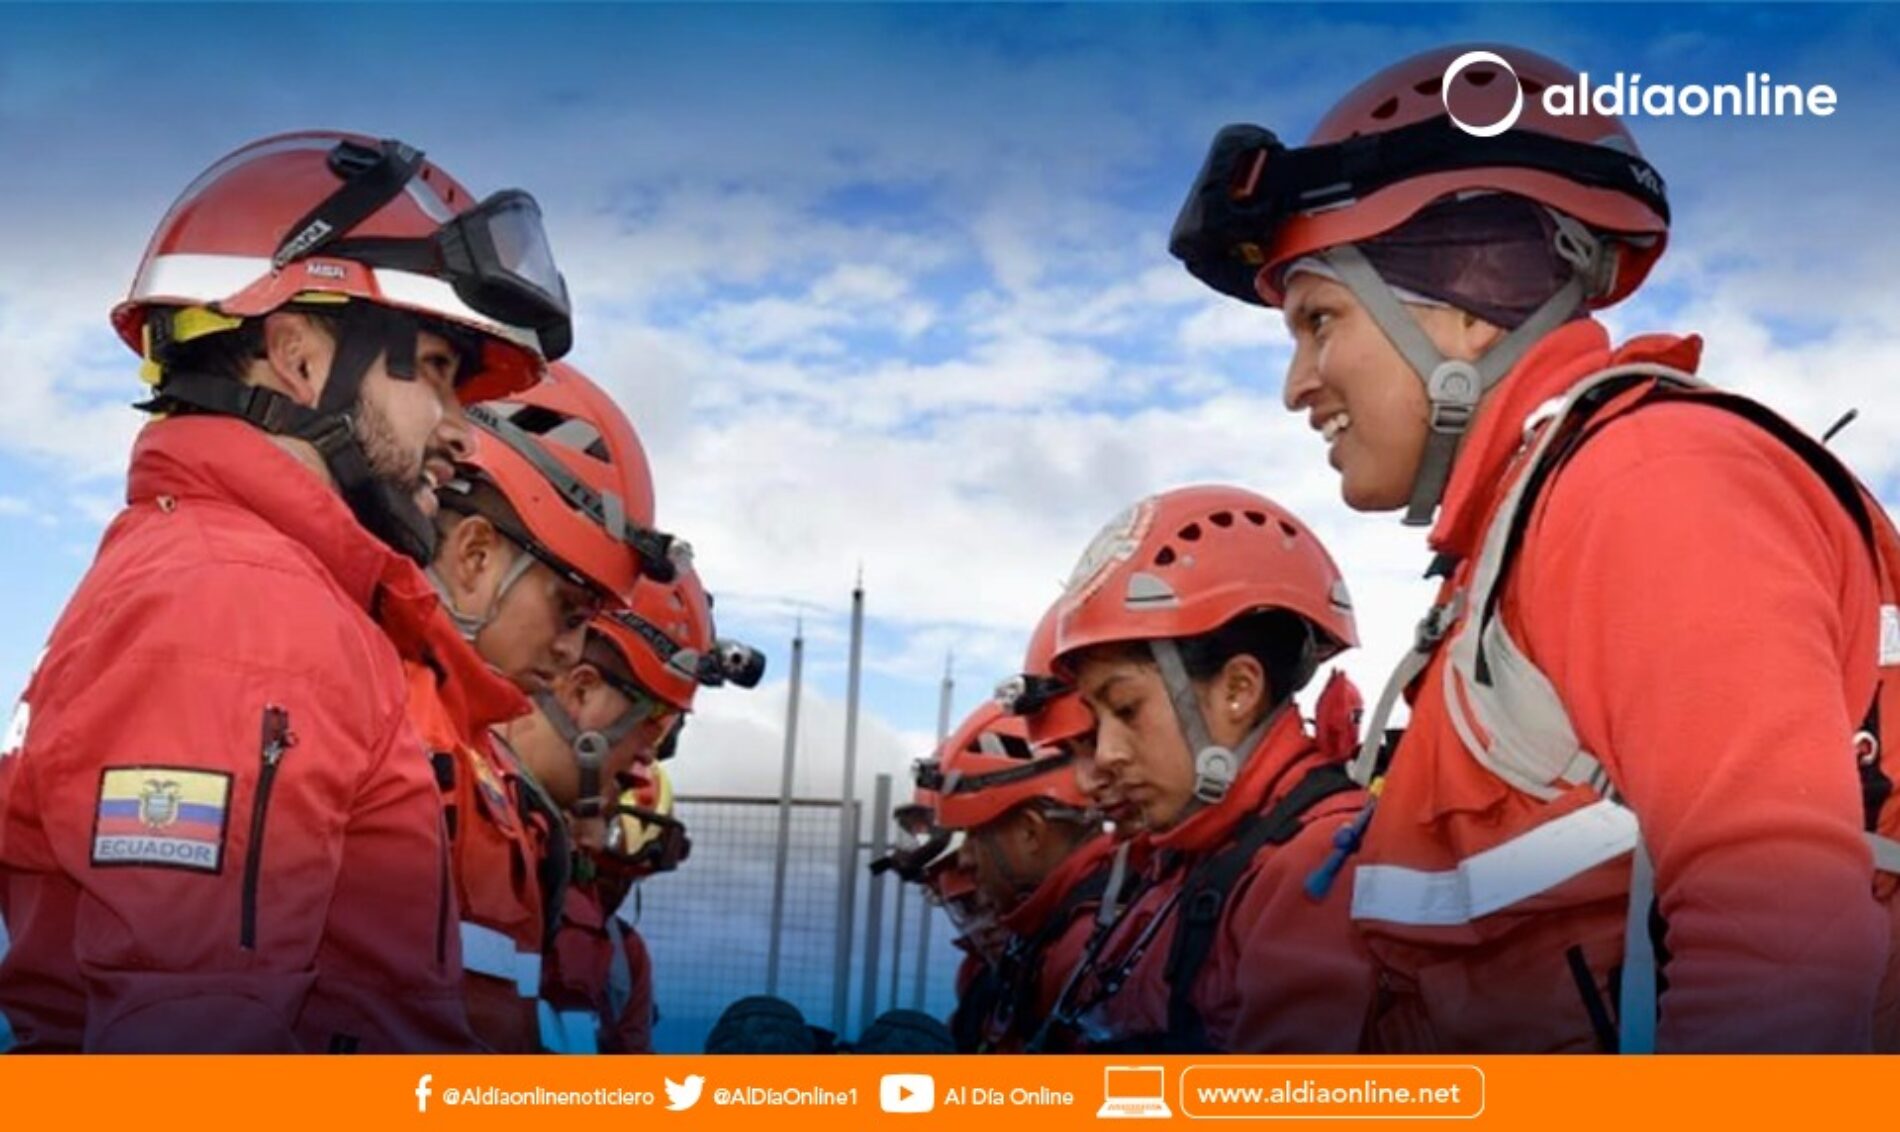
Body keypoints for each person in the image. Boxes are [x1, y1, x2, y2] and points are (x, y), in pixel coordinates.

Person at [1171, 45, 1900, 1052]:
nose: (1297, 385)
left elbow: (1781, 945)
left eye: (1320, 320)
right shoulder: (1527, 533)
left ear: (1468, 303)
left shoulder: (1645, 486)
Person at [0, 130, 571, 1052]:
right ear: (299, 358)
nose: (462, 433)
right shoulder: (238, 607)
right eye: (435, 369)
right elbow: (186, 1064)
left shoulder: (234, 579)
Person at [1043, 484, 1375, 1052]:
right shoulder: (1186, 855)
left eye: (1127, 708)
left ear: (1237, 690)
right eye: (1098, 721)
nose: (1106, 754)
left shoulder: (1319, 866)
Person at [418, 362, 672, 1051]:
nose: (570, 650)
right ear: (474, 557)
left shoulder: (481, 779)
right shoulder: (390, 739)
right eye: (570, 611)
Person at [927, 700, 1111, 1052]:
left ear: (1030, 832)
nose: (965, 858)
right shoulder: (1054, 933)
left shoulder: (1079, 951)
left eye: (975, 836)